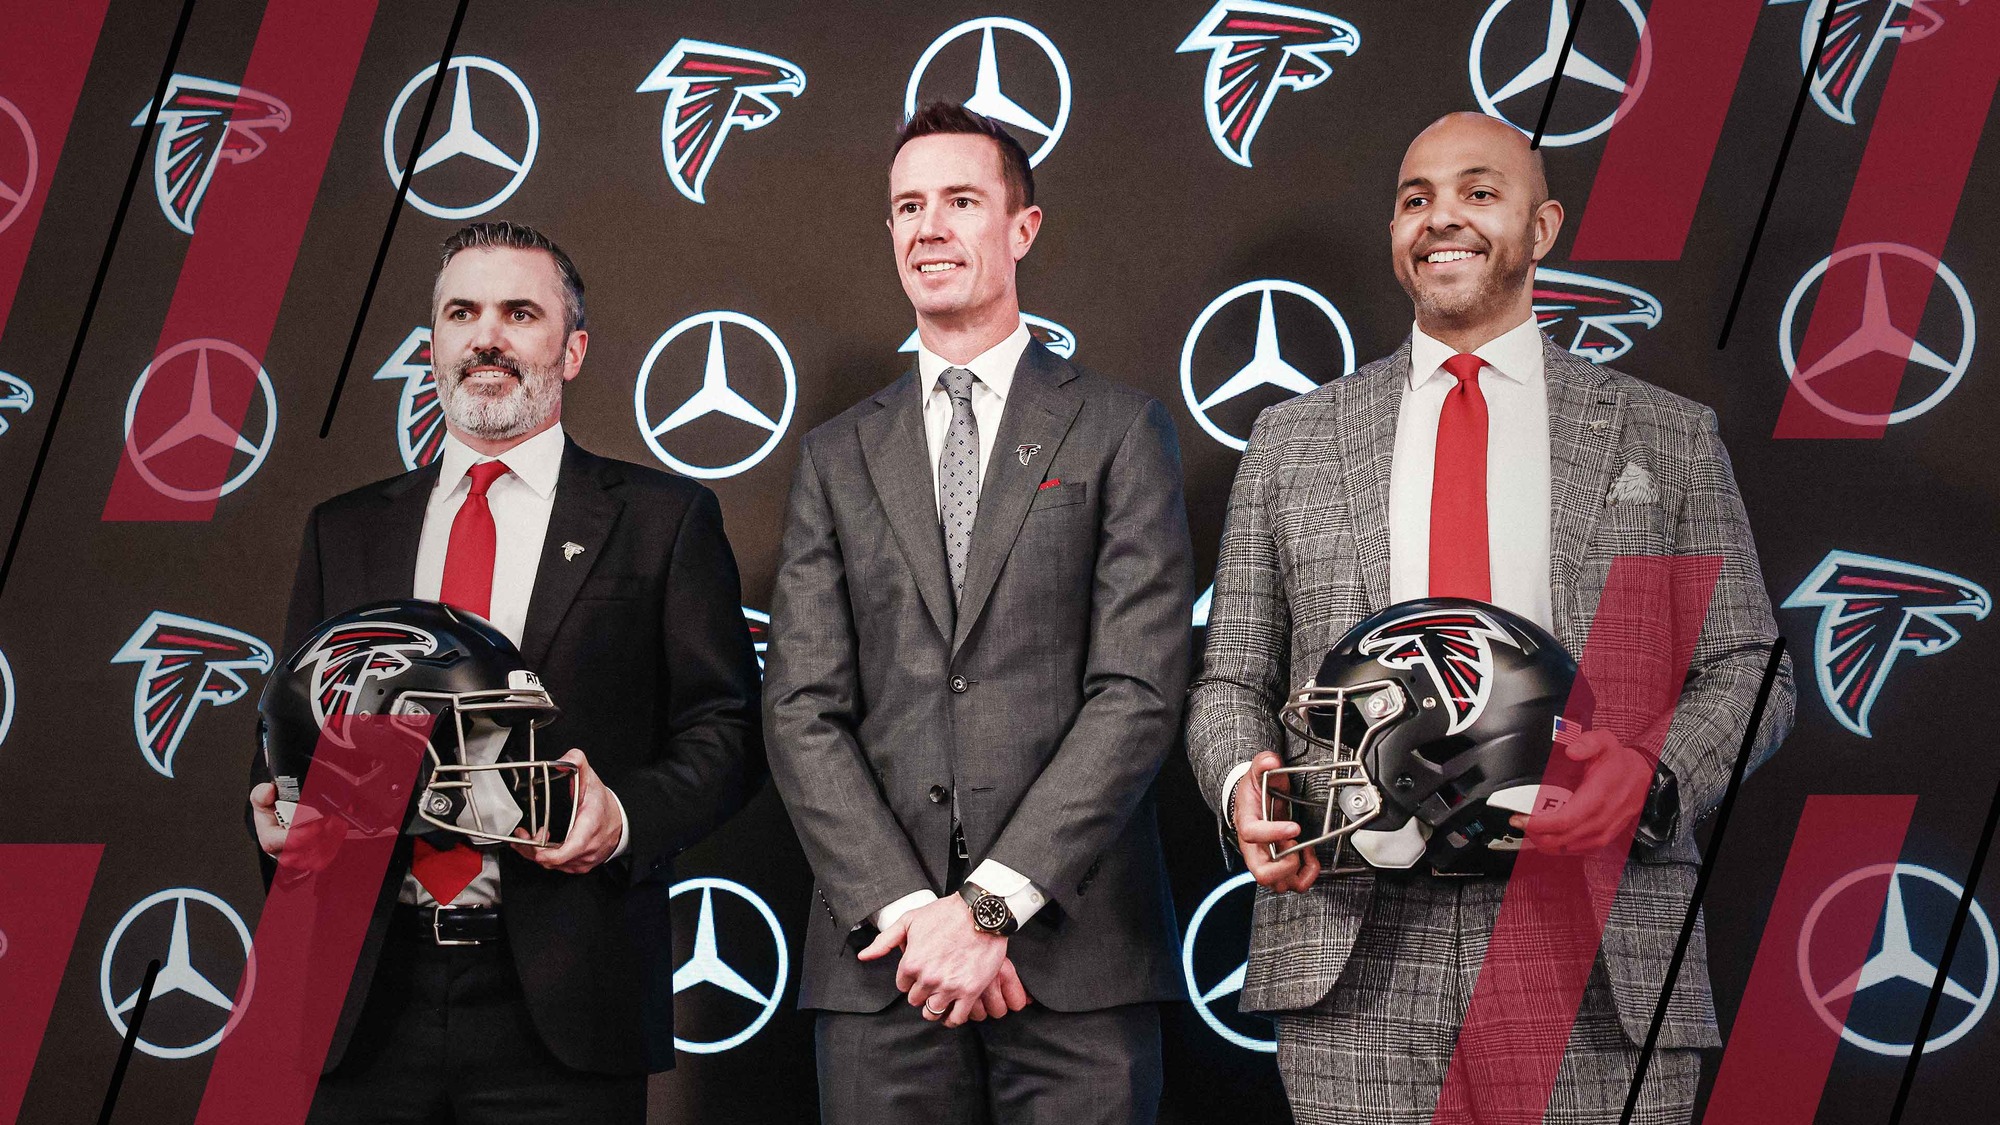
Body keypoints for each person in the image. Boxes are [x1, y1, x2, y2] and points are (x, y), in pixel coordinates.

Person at [1186, 112, 1795, 1124]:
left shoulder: (1666, 436)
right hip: (1354, 944)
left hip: (1595, 945)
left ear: (1542, 226)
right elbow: (1231, 681)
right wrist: (1241, 780)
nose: (1441, 219)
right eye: (1414, 198)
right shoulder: (1290, 442)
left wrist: (1651, 777)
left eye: (1479, 192)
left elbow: (1752, 665)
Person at [246, 221, 763, 1124]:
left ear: (573, 350)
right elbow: (294, 718)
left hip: (567, 1000)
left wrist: (623, 816)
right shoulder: (345, 529)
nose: (486, 336)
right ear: (433, 347)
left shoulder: (662, 520)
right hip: (363, 1001)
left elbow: (728, 729)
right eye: (462, 314)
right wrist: (278, 812)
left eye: (519, 313)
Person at [763, 102, 1195, 1124]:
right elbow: (800, 707)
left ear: (1022, 227)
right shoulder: (835, 455)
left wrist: (992, 905)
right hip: (885, 963)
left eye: (960, 201)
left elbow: (1136, 692)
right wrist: (920, 918)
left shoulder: (1118, 429)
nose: (929, 228)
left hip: (1076, 961)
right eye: (908, 207)